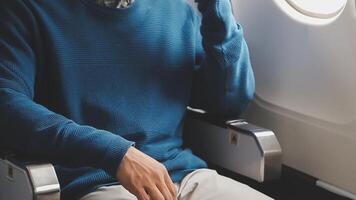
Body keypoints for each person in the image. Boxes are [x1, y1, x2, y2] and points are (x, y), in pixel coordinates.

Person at [0, 0, 271, 199]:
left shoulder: (178, 12)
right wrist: (115, 154)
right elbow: (8, 106)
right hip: (94, 183)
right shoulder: (25, 10)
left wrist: (216, 8)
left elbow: (228, 102)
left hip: (185, 179)